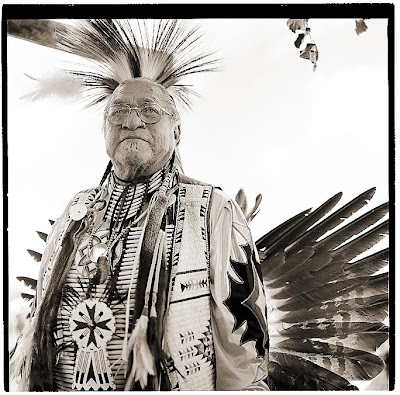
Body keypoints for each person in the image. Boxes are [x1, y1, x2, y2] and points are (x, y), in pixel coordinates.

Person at [10, 20, 269, 391]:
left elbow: (244, 355)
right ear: (104, 130)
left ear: (177, 131)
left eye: (150, 111)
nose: (132, 120)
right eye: (118, 112)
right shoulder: (75, 212)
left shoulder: (212, 209)